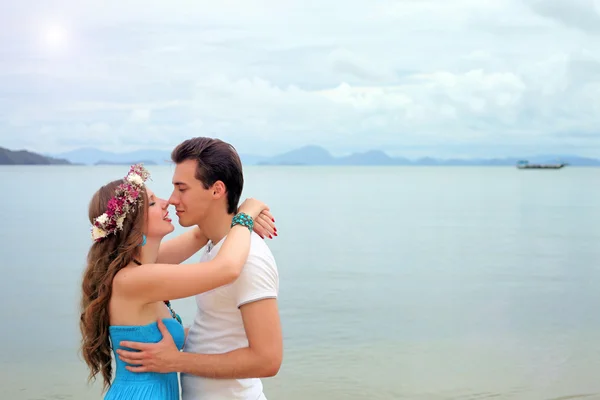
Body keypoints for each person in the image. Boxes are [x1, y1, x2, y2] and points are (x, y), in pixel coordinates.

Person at [79, 163, 277, 400]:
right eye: (152, 202)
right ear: (133, 224)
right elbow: (226, 269)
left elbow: (202, 232)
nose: (167, 202)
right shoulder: (134, 279)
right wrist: (246, 214)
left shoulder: (141, 267)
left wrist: (236, 213)